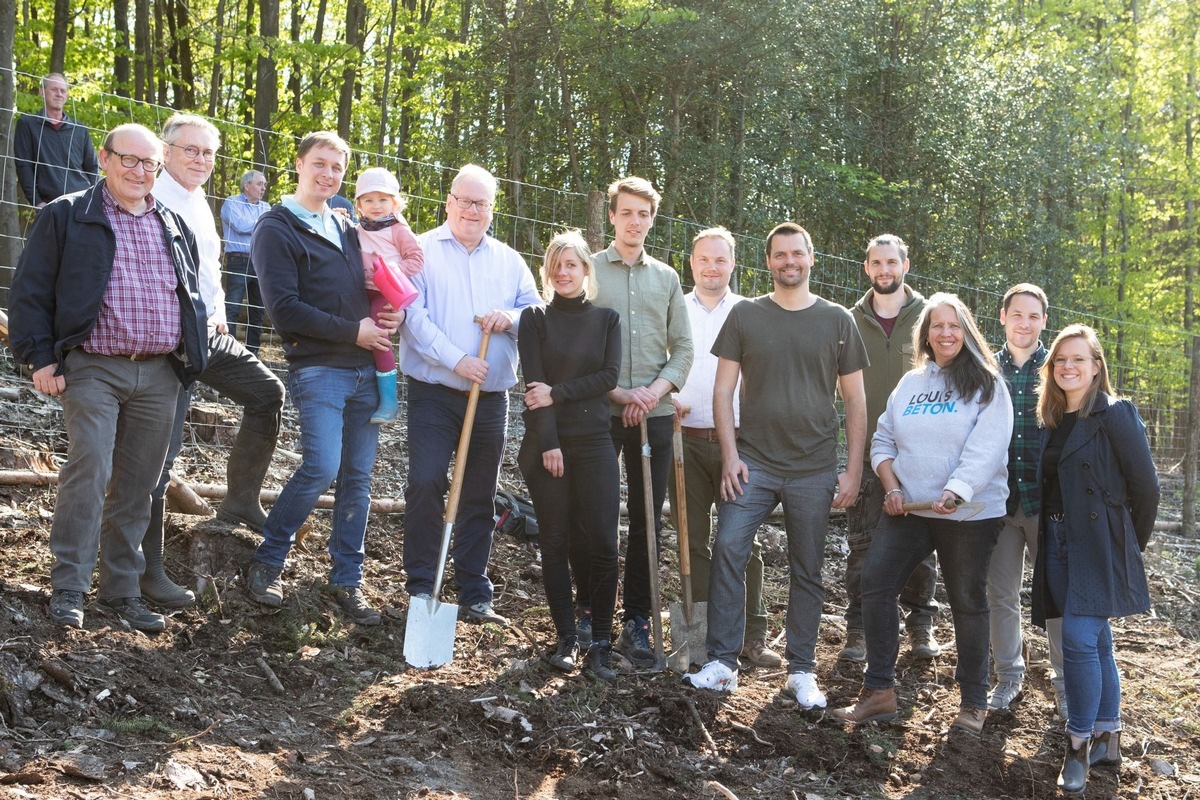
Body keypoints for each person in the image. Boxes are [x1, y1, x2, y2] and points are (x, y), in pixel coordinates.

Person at [8, 123, 207, 632]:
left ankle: (122, 592)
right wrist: (40, 359)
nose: (140, 172)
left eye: (150, 164)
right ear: (104, 157)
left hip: (161, 372)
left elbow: (191, 295)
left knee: (139, 485)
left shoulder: (172, 222)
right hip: (94, 366)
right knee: (90, 467)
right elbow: (30, 292)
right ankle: (69, 587)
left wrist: (192, 356)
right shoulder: (68, 215)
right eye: (130, 160)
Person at [684, 222, 866, 708]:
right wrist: (730, 456)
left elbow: (855, 400)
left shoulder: (837, 320)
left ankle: (802, 670)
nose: (789, 261)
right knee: (728, 547)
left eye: (797, 253)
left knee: (808, 566)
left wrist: (851, 470)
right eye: (780, 255)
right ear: (767, 262)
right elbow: (722, 390)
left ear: (811, 258)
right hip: (754, 463)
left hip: (814, 467)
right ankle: (722, 662)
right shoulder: (746, 315)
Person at [831, 293, 1012, 735]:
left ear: (966, 331)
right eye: (936, 326)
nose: (945, 333)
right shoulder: (911, 384)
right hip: (909, 510)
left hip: (968, 514)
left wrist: (956, 490)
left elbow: (988, 448)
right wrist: (891, 487)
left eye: (953, 325)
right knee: (875, 582)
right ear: (926, 334)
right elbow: (883, 439)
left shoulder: (988, 384)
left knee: (967, 602)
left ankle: (972, 701)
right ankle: (878, 692)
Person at [246, 131, 400, 626]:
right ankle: (269, 560)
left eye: (337, 167)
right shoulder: (276, 227)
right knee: (321, 467)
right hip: (319, 369)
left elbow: (369, 293)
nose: (328, 174)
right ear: (298, 164)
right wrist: (352, 332)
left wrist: (388, 318)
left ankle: (346, 581)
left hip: (365, 370)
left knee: (358, 479)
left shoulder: (345, 225)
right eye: (320, 164)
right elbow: (284, 310)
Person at [151, 114, 286, 609]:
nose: (200, 160)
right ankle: (148, 572)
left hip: (210, 333)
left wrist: (223, 315)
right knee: (158, 459)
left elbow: (210, 268)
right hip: (168, 342)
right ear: (166, 151)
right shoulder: (153, 195)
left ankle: (241, 499)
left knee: (267, 392)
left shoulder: (200, 199)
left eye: (208, 153)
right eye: (190, 150)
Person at [398, 164, 540, 626]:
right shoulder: (420, 250)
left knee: (479, 493)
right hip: (434, 391)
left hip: (490, 398)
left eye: (481, 203)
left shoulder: (509, 260)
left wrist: (510, 317)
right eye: (464, 200)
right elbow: (412, 317)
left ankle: (474, 589)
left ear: (492, 209)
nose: (472, 210)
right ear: (448, 202)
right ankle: (421, 584)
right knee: (425, 481)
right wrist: (456, 359)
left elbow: (535, 309)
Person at [1032, 325, 1158, 794]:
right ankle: (1109, 733)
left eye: (1079, 359)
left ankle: (1078, 743)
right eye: (1061, 359)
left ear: (1097, 366)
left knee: (1078, 640)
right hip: (1059, 540)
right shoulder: (1052, 417)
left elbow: (1147, 489)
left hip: (1101, 544)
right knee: (1097, 640)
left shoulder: (1115, 413)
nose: (1069, 366)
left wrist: (1127, 546)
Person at [580, 176, 693, 667]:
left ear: (652, 219)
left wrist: (651, 393)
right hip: (599, 413)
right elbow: (576, 344)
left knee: (648, 520)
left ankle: (637, 621)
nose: (634, 221)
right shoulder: (589, 271)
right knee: (598, 518)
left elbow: (684, 350)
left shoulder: (666, 278)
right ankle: (590, 609)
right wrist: (615, 391)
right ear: (612, 216)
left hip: (655, 417)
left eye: (643, 214)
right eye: (626, 212)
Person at [670, 226, 781, 668]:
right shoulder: (674, 306)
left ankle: (752, 634)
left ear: (733, 264)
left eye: (720, 260)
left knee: (741, 542)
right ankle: (699, 636)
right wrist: (665, 395)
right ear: (691, 263)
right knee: (691, 539)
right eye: (703, 259)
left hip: (740, 444)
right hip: (686, 439)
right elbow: (660, 359)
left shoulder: (751, 311)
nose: (712, 267)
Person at [517, 230, 622, 683]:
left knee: (602, 541)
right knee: (555, 542)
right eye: (556, 265)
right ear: (547, 272)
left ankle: (601, 641)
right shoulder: (534, 319)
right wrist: (550, 442)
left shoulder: (607, 320)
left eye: (572, 265)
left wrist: (558, 392)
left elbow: (608, 376)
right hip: (548, 446)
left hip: (597, 443)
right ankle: (565, 638)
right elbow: (532, 389)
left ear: (586, 271)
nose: (563, 273)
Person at [843, 234, 940, 663]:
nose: (885, 270)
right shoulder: (848, 321)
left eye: (892, 262)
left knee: (920, 547)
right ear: (867, 268)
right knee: (863, 547)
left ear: (905, 265)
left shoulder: (930, 319)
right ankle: (858, 632)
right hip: (864, 457)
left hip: (918, 457)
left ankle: (921, 627)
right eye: (876, 263)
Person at [987, 283, 1067, 716]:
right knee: (1000, 593)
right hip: (998, 503)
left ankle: (1064, 680)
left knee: (1055, 593)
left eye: (1033, 316)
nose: (1025, 323)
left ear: (1043, 322)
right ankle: (1008, 676)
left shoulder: (1056, 369)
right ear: (1003, 317)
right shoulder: (984, 367)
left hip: (1047, 504)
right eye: (1017, 314)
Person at [353, 167, 424, 424]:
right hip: (362, 291)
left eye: (383, 199)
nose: (376, 206)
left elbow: (416, 259)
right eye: (368, 200)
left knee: (379, 337)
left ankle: (389, 400)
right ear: (359, 204)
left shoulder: (397, 228)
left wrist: (393, 271)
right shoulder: (359, 228)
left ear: (395, 202)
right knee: (359, 334)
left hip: (386, 292)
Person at [14, 73, 99, 207]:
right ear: (42, 92)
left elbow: (93, 167)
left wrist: (92, 198)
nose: (59, 94)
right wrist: (37, 202)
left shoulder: (79, 129)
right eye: (54, 89)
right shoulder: (28, 124)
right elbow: (24, 166)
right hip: (49, 204)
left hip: (81, 203)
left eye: (63, 90)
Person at [221, 170, 271, 354]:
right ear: (246, 185)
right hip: (238, 261)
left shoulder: (266, 206)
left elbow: (269, 231)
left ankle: (252, 354)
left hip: (260, 262)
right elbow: (240, 226)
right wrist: (262, 222)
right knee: (233, 307)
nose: (263, 188)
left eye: (264, 184)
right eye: (259, 184)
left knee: (257, 310)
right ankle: (230, 353)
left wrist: (259, 223)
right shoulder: (231, 202)